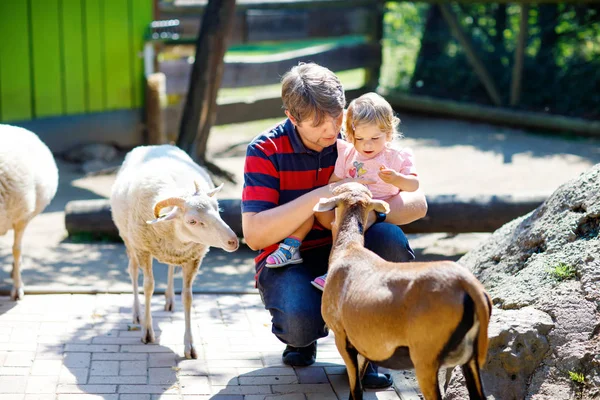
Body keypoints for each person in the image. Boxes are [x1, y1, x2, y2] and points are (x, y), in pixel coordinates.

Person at [241, 62, 427, 389]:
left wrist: (367, 214)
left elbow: (418, 204)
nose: (332, 130)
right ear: (291, 116)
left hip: (350, 249)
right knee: (299, 322)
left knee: (390, 240)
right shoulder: (265, 150)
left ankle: (365, 349)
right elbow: (255, 235)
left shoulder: (359, 138)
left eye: (337, 117)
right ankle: (303, 336)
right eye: (317, 124)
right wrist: (324, 194)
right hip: (290, 256)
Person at [310, 92, 419, 290]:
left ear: (389, 133)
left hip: (380, 214)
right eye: (359, 138)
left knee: (387, 239)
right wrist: (348, 182)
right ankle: (334, 271)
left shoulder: (397, 156)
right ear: (350, 135)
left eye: (375, 138)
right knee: (340, 228)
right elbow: (334, 181)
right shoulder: (348, 154)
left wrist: (397, 178)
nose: (367, 144)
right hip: (351, 210)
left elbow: (413, 186)